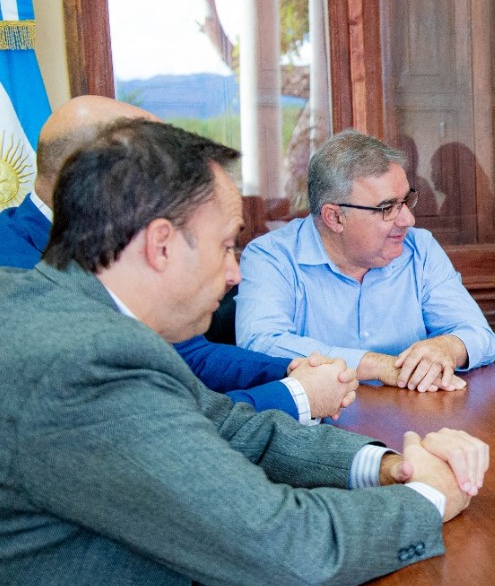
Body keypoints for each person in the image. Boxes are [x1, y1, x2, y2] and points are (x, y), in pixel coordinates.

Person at [0, 119, 490, 586]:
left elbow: (234, 426)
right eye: (229, 246)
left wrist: (385, 465)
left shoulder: (70, 312)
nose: (235, 274)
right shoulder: (87, 364)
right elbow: (286, 542)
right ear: (162, 245)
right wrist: (428, 499)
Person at [0, 95, 357, 423]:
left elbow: (188, 354)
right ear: (89, 174)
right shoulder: (15, 274)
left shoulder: (127, 241)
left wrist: (289, 369)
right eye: (153, 159)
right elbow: (143, 421)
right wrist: (296, 394)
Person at [237, 130, 495, 393]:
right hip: (319, 423)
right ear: (335, 217)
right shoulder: (272, 257)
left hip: (414, 416)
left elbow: (482, 337)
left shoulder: (420, 248)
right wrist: (376, 365)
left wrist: (448, 347)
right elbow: (260, 344)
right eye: (387, 208)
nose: (408, 219)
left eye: (406, 201)